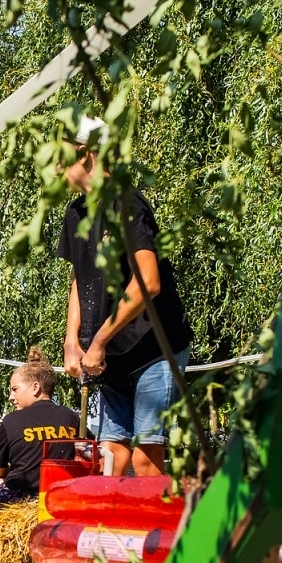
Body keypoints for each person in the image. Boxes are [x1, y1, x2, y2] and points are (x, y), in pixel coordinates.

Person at [59, 122, 193, 477]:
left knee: (144, 458)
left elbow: (148, 283)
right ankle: (112, 532)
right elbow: (80, 278)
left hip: (154, 347)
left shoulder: (127, 204)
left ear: (88, 154)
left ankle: (156, 530)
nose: (56, 168)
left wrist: (99, 339)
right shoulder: (74, 215)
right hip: (110, 354)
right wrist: (72, 340)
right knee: (111, 457)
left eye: (63, 157)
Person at [0, 349, 79, 505]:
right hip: (60, 497)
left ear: (35, 388)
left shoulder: (11, 420)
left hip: (20, 501)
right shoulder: (71, 417)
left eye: (15, 390)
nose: (11, 397)